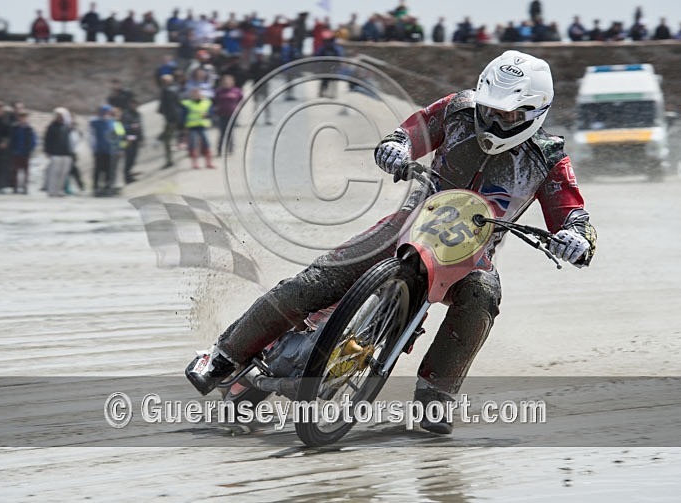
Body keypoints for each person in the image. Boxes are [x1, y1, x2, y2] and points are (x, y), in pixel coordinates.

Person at [185, 50, 598, 434]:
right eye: (489, 110)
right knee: (316, 280)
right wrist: (395, 148)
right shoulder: (457, 110)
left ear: (534, 112)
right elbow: (408, 132)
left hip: (474, 254)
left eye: (507, 116)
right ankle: (223, 356)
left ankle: (436, 396)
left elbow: (575, 217)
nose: (492, 122)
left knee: (484, 296)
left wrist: (575, 240)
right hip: (409, 223)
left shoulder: (548, 159)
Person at [180, 87, 214, 169]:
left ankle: (209, 163)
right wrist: (183, 127)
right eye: (194, 94)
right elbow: (183, 116)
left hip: (203, 126)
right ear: (191, 95)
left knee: (206, 144)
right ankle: (195, 163)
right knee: (193, 145)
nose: (196, 95)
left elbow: (212, 113)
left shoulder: (207, 102)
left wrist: (208, 116)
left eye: (198, 93)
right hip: (192, 127)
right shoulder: (187, 104)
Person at [43, 108, 73, 197]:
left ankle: (60, 190)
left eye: (61, 115)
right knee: (54, 173)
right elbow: (47, 140)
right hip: (56, 153)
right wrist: (47, 151)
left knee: (63, 173)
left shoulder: (67, 127)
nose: (60, 117)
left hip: (66, 153)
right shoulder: (51, 127)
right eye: (58, 115)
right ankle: (52, 190)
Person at [212, 74, 243, 156]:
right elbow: (214, 101)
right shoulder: (218, 91)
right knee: (222, 132)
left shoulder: (237, 91)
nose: (227, 83)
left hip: (232, 114)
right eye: (225, 82)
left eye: (229, 81)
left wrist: (237, 108)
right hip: (221, 114)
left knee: (230, 132)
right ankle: (220, 149)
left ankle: (230, 149)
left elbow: (241, 100)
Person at [9, 111, 37, 194]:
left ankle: (25, 188)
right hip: (16, 152)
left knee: (26, 172)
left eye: (24, 117)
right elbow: (12, 139)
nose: (23, 119)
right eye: (21, 117)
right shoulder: (15, 128)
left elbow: (33, 141)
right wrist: (13, 149)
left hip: (25, 153)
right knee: (15, 171)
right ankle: (15, 187)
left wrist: (30, 149)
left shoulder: (29, 129)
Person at [121, 99, 143, 183]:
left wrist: (141, 138)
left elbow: (141, 127)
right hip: (128, 138)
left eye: (136, 104)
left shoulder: (138, 114)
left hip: (136, 138)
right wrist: (131, 126)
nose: (134, 106)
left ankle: (129, 175)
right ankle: (127, 177)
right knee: (129, 158)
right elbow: (122, 127)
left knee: (133, 158)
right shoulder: (126, 114)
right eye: (133, 104)